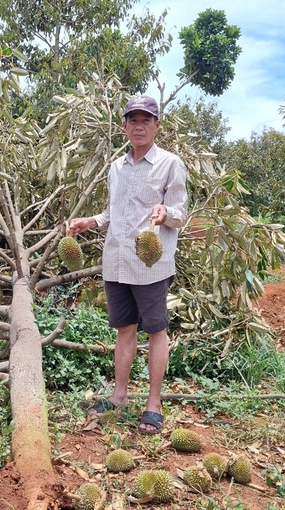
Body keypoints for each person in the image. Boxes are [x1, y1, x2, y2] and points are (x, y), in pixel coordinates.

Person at [68, 95, 188, 434]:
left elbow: (181, 212)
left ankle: (153, 403)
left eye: (146, 119)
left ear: (156, 125)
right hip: (117, 260)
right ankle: (119, 397)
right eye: (132, 119)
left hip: (150, 265)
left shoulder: (170, 163)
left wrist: (167, 214)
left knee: (156, 331)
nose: (139, 125)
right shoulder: (116, 168)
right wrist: (90, 221)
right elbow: (113, 213)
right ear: (124, 126)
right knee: (124, 330)